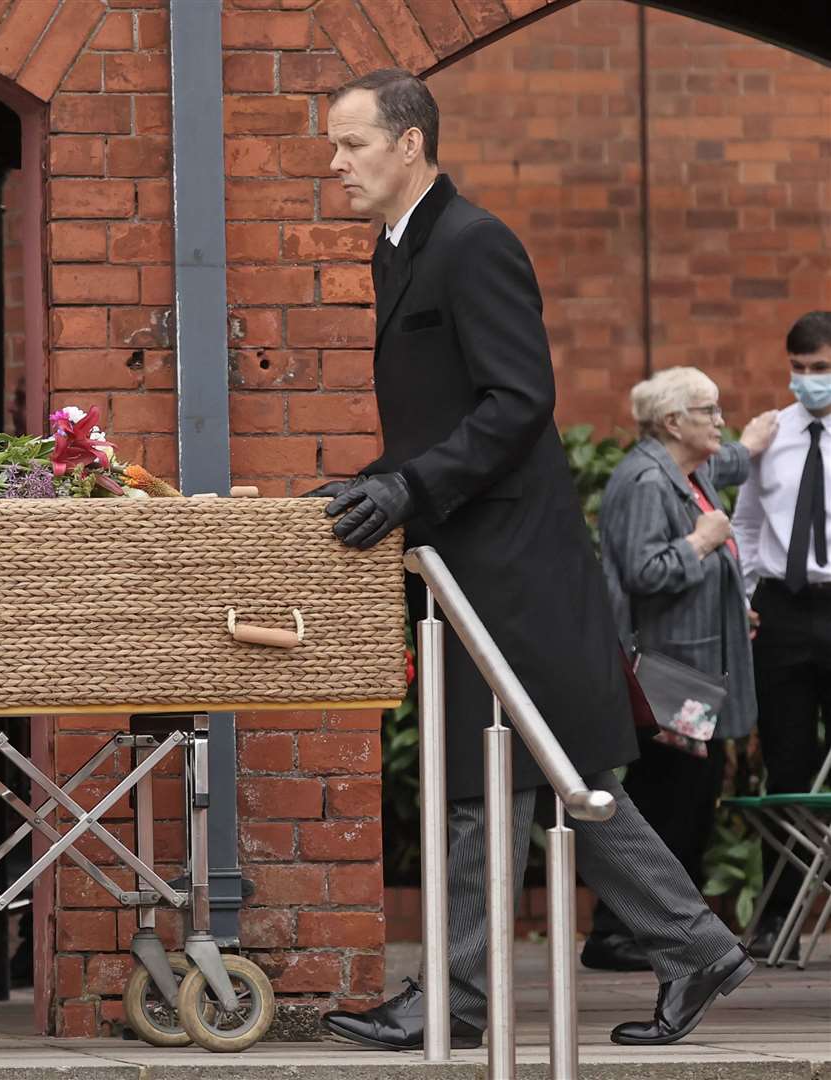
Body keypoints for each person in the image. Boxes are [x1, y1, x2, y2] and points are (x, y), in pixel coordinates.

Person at [312, 70, 750, 1051]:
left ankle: (467, 1001)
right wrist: (375, 482)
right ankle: (692, 950)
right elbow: (446, 416)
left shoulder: (472, 244)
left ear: (412, 143)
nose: (336, 164)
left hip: (512, 562)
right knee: (543, 775)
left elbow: (518, 402)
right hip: (472, 553)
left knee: (510, 777)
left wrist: (405, 490)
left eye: (352, 143)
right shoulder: (402, 252)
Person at [582, 369, 779, 971]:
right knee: (670, 802)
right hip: (667, 676)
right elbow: (645, 573)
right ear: (673, 422)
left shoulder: (682, 470)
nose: (721, 420)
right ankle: (623, 934)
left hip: (687, 675)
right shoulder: (646, 481)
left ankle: (651, 933)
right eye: (709, 411)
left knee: (685, 799)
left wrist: (760, 444)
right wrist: (702, 541)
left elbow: (730, 463)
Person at [730, 310, 831, 958]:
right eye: (798, 370)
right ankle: (778, 922)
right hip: (783, 611)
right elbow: (741, 527)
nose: (807, 382)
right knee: (786, 764)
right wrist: (741, 599)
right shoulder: (768, 435)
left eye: (819, 370)